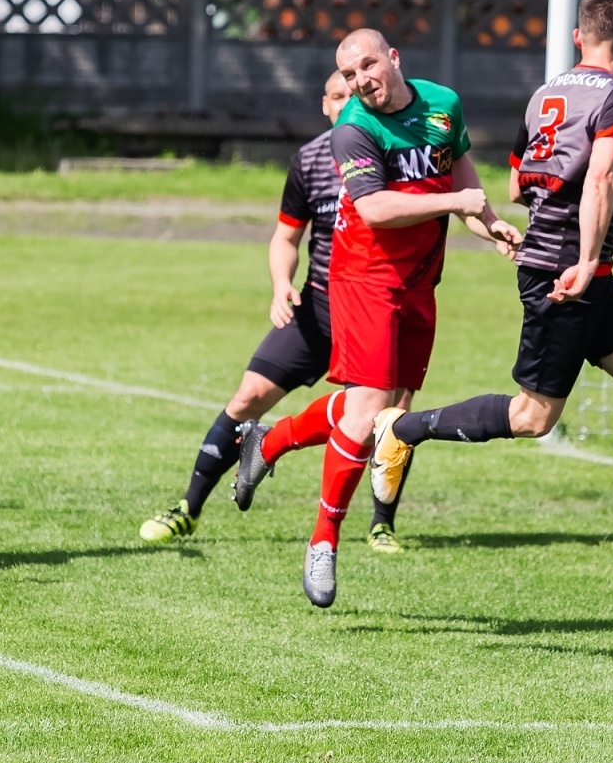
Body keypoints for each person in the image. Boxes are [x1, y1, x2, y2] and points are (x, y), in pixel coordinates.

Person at [368, 0, 613, 572]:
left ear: (579, 37)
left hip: (578, 268)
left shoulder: (546, 92)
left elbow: (517, 186)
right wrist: (583, 251)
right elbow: (600, 177)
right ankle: (403, 429)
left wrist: (574, 215)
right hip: (566, 271)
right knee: (533, 417)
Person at [232, 29, 522, 607]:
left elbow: (461, 180)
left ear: (394, 58)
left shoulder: (443, 104)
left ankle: (271, 441)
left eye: (368, 65)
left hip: (420, 280)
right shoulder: (353, 129)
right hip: (364, 276)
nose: (361, 80)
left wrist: (491, 225)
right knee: (367, 417)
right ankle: (323, 541)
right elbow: (375, 208)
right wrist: (454, 204)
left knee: (384, 407)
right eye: (349, 74)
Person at [140, 73, 419, 553]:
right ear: (324, 104)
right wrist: (279, 285)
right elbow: (286, 237)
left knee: (388, 417)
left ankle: (381, 525)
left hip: (377, 304)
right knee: (249, 395)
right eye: (335, 96)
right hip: (318, 306)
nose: (343, 104)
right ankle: (188, 508)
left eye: (351, 96)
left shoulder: (395, 154)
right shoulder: (310, 159)